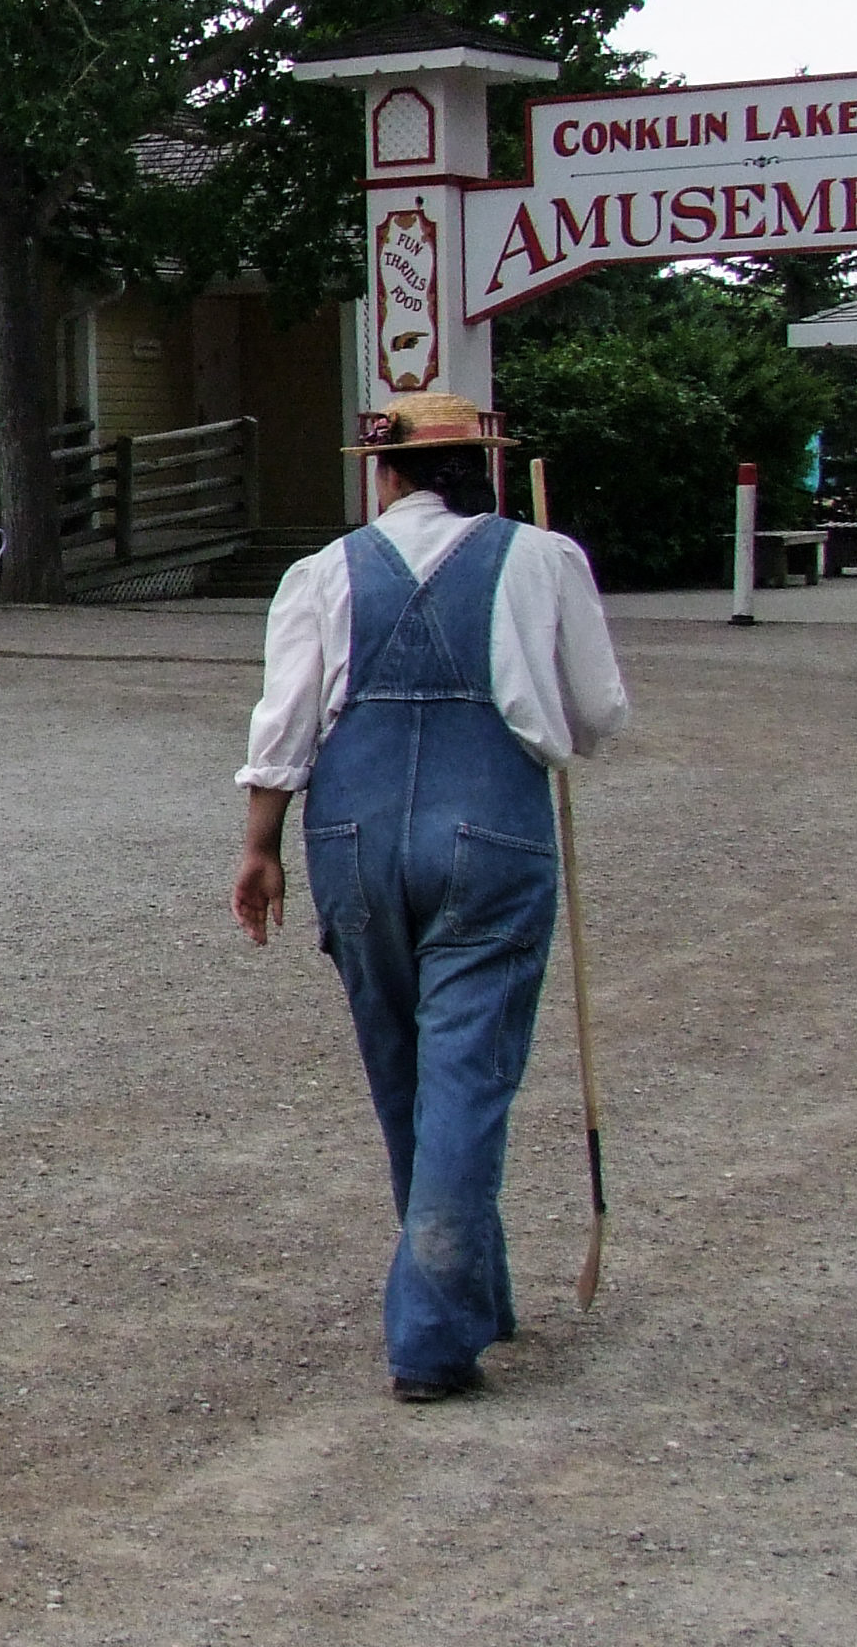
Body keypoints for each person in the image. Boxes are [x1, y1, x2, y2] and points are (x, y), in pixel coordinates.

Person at [234, 391, 629, 1402]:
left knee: (405, 1073)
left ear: (386, 474)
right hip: (489, 829)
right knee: (466, 1075)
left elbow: (284, 723)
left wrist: (259, 847)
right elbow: (596, 714)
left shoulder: (324, 572)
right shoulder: (543, 559)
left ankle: (471, 1289)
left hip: (353, 833)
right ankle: (432, 1337)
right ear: (481, 467)